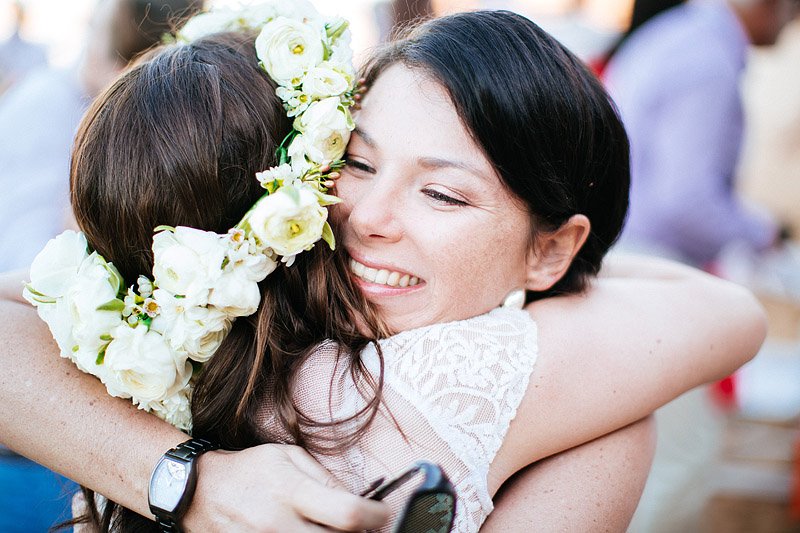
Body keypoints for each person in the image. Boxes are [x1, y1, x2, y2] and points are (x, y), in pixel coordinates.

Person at [0, 7, 765, 532]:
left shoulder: (173, 325)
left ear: (553, 243)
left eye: (440, 192)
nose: (368, 215)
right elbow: (726, 311)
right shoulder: (521, 376)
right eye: (355, 162)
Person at [0, 1, 202, 531]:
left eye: (90, 32)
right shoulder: (50, 102)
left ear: (123, 66)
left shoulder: (90, 116)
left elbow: (40, 261)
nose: (78, 50)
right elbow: (33, 268)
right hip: (40, 408)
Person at [604, 0, 797, 267]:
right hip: (647, 259)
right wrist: (764, 235)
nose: (792, 21)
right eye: (794, 7)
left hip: (626, 249)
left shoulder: (683, 32)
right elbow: (686, 202)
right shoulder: (708, 59)